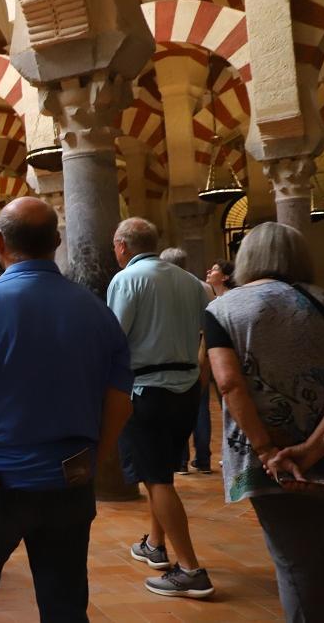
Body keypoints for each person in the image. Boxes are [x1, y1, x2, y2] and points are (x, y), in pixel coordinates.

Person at [0, 197, 134, 621]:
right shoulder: (96, 310)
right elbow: (119, 400)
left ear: (0, 243)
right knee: (64, 602)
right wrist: (94, 458)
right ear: (57, 242)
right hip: (69, 479)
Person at [204, 223, 324, 622]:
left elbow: (229, 384)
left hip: (269, 461)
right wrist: (313, 449)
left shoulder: (224, 308)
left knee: (296, 564)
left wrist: (268, 451)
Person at [108, 217, 215, 598]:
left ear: (122, 246)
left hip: (146, 390)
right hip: (186, 389)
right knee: (162, 470)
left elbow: (115, 338)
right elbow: (208, 334)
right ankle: (155, 544)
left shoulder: (127, 280)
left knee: (157, 478)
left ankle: (190, 569)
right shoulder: (194, 283)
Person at [159, 248, 216, 475]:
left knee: (175, 410)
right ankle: (203, 459)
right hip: (198, 353)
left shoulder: (161, 287)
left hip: (171, 355)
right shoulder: (202, 286)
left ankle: (180, 461)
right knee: (200, 408)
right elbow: (212, 322)